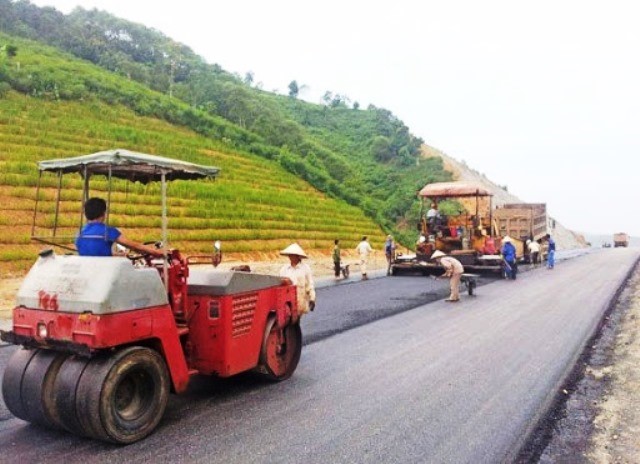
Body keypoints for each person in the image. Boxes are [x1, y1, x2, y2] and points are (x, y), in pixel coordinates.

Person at [75, 197, 165, 257]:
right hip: (104, 272)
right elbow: (134, 246)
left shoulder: (80, 233)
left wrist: (117, 255)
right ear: (103, 214)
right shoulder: (108, 231)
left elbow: (95, 253)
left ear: (86, 214)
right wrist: (157, 252)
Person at [279, 243, 316, 315]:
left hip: (300, 301)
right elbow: (280, 285)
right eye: (290, 254)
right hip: (287, 302)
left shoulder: (305, 268)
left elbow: (310, 285)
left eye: (292, 255)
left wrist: (312, 299)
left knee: (296, 321)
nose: (290, 256)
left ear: (298, 256)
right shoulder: (284, 269)